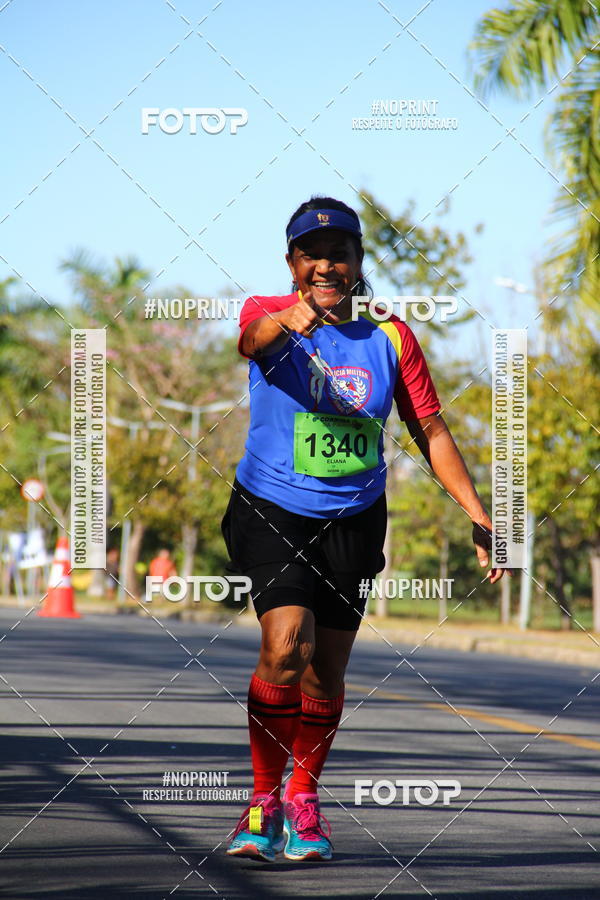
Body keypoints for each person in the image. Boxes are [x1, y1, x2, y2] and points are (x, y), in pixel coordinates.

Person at [222, 196, 508, 863]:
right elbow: (251, 342)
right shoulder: (267, 311)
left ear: (358, 261)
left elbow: (430, 428)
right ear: (291, 262)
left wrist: (478, 512)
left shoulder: (391, 335)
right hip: (272, 505)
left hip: (354, 515)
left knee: (325, 671)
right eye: (311, 255)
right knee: (286, 645)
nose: (326, 266)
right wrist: (294, 318)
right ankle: (262, 802)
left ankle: (303, 800)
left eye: (339, 254)